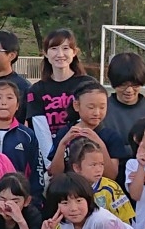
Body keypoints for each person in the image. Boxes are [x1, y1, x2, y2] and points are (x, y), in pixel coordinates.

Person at [25, 28, 97, 158]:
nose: (60, 54)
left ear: (74, 52)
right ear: (45, 53)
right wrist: (52, 163)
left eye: (65, 48)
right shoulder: (36, 90)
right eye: (54, 48)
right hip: (52, 157)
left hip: (83, 155)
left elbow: (94, 120)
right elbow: (42, 133)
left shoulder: (88, 84)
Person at [47, 82, 129, 181]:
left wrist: (100, 144)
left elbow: (111, 176)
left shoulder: (111, 136)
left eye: (102, 107)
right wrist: (63, 144)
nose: (97, 112)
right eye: (91, 107)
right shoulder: (65, 133)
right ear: (76, 105)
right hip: (70, 190)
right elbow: (55, 173)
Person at [0, 79, 43, 200]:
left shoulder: (27, 135)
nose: (4, 103)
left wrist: (35, 200)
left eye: (9, 98)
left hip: (17, 199)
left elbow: (36, 171)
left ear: (17, 105)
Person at [101, 52, 145, 144]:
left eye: (135, 85)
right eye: (123, 85)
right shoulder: (100, 110)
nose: (129, 90)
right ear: (113, 82)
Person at [67, 139, 135, 226]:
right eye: (93, 165)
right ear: (77, 167)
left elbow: (126, 222)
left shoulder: (111, 188)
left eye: (101, 164)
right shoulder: (67, 189)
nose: (99, 169)